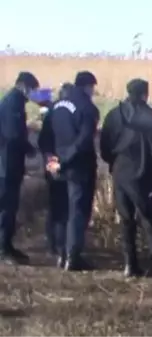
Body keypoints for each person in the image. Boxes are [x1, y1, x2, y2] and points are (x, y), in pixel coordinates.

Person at [99, 78, 152, 281]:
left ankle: (130, 265)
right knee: (149, 219)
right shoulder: (149, 116)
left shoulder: (113, 115)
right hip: (142, 173)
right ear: (144, 94)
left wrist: (114, 162)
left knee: (126, 219)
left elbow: (104, 146)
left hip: (120, 171)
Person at [46, 71, 100, 271]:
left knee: (60, 210)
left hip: (56, 166)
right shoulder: (88, 108)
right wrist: (66, 160)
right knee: (78, 212)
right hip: (79, 168)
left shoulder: (56, 107)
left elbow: (46, 136)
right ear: (88, 87)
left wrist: (51, 158)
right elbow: (84, 141)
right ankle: (72, 257)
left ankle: (60, 253)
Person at [0, 72, 40, 264]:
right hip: (6, 165)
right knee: (6, 207)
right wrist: (29, 148)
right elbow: (13, 134)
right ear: (24, 86)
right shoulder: (13, 104)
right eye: (32, 89)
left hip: (9, 164)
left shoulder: (13, 101)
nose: (33, 94)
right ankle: (3, 249)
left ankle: (7, 244)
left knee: (9, 206)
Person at [38, 83, 74, 267]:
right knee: (64, 208)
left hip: (51, 165)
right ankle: (62, 246)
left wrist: (49, 158)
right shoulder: (72, 113)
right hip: (65, 167)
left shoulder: (51, 113)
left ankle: (53, 244)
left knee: (54, 207)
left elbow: (42, 140)